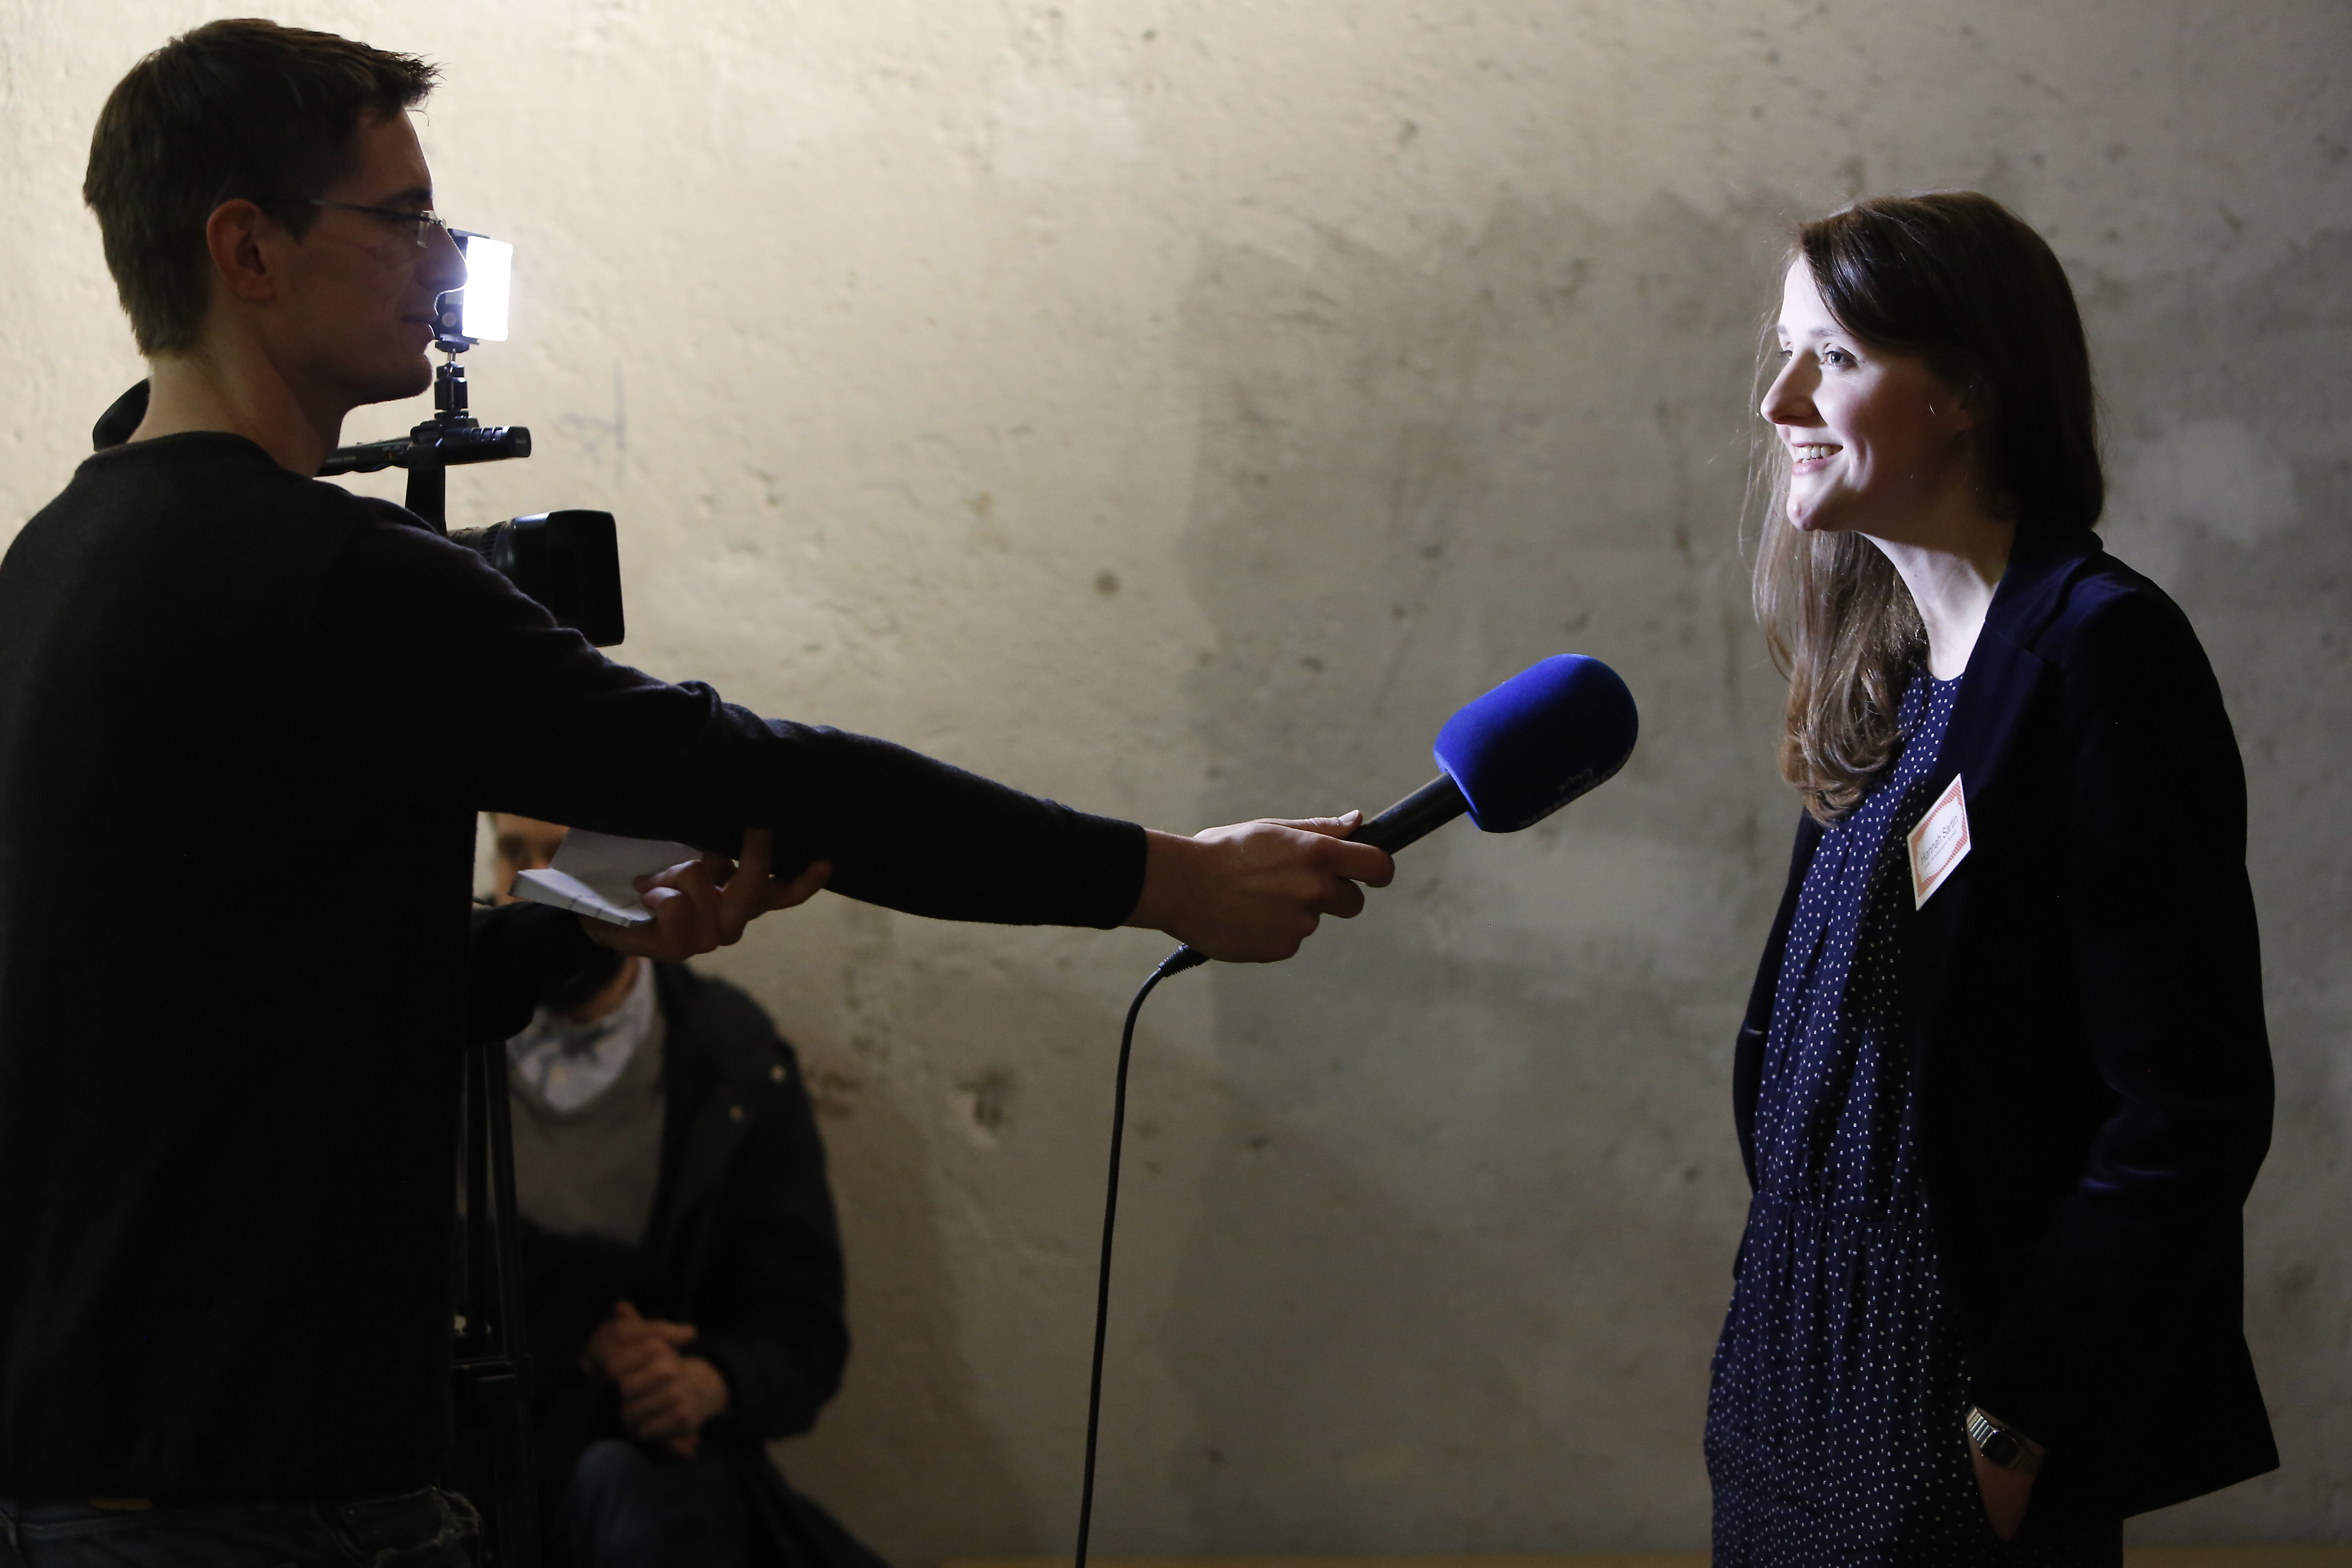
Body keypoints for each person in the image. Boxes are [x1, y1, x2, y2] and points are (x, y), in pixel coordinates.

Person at [0, 19, 1393, 1564]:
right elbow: (742, 770)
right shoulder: (323, 571)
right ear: (246, 249)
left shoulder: (54, 563)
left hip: (85, 1476)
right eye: (401, 218)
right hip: (258, 1507)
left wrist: (575, 926)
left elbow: (258, 1003)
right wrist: (1165, 878)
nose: (443, 257)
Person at [1705, 192, 2276, 1563]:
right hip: (1795, 1367)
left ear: (1965, 388)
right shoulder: (1884, 668)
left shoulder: (2101, 652)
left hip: (1954, 1394)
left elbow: (2186, 1107)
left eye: (1833, 357)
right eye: (1784, 354)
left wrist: (2019, 1421)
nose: (1780, 400)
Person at [485, 814, 880, 1568]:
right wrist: (575, 1323)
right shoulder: (427, 1039)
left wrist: (705, 1381)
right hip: (461, 1461)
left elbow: (801, 1333)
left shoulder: (733, 1060)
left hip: (637, 1472)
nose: (533, 884)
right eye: (512, 852)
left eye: (566, 853)